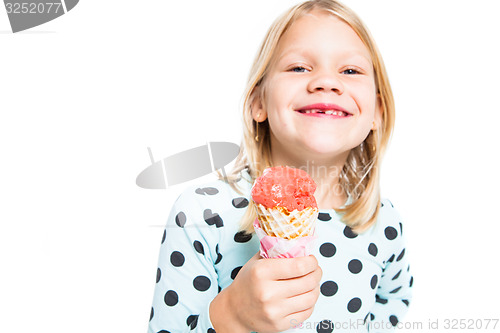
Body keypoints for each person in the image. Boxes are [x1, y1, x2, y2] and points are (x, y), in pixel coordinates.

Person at [148, 0, 413, 332]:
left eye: (350, 71)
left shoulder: (383, 221)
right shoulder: (203, 214)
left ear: (377, 112)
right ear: (259, 101)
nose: (326, 82)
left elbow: (393, 306)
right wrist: (231, 314)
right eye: (299, 67)